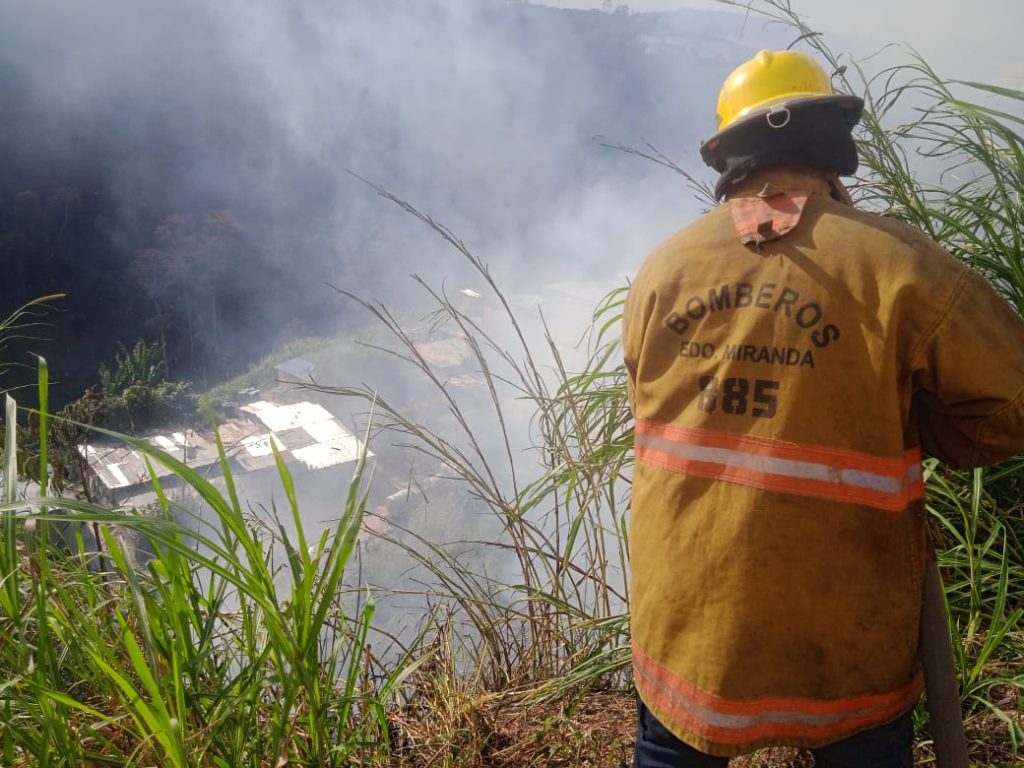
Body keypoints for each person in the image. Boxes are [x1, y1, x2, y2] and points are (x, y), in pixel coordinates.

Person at [622, 49, 1024, 767]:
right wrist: (913, 420)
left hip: (688, 643)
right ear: (833, 151)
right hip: (845, 649)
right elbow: (1012, 404)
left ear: (732, 160)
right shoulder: (900, 264)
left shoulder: (661, 270)